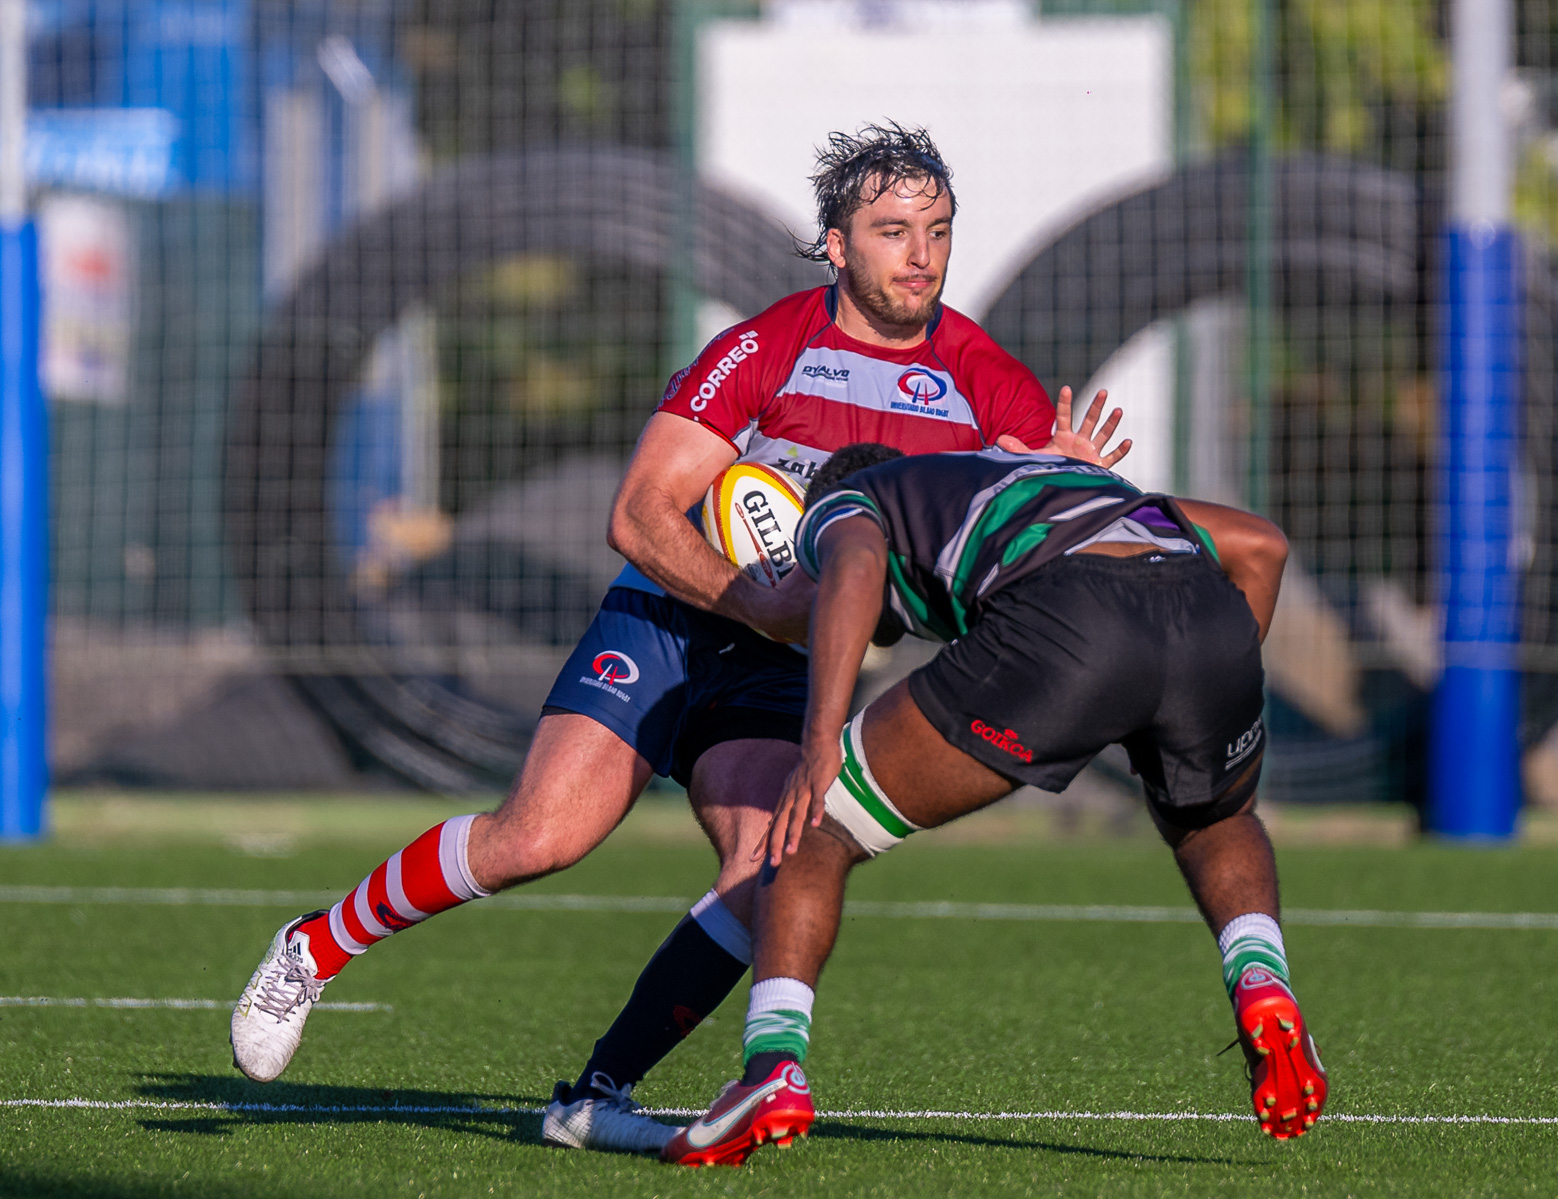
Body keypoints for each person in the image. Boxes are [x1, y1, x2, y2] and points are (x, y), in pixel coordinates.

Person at [227, 123, 1128, 1155]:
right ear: (838, 245)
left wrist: (1057, 484)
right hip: (671, 617)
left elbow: (1016, 535)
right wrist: (753, 601)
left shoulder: (987, 383)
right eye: (893, 231)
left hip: (788, 662)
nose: (921, 255)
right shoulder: (767, 347)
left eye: (938, 231)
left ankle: (591, 1095)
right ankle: (316, 945)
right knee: (538, 837)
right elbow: (638, 513)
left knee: (768, 866)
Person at [658, 443, 1326, 1168]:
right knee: (1213, 818)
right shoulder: (1063, 479)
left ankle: (770, 1071)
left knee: (815, 823)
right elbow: (1261, 544)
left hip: (1071, 615)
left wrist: (819, 740)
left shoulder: (848, 498)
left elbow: (854, 563)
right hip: (1207, 615)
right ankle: (1260, 975)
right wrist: (1185, 699)